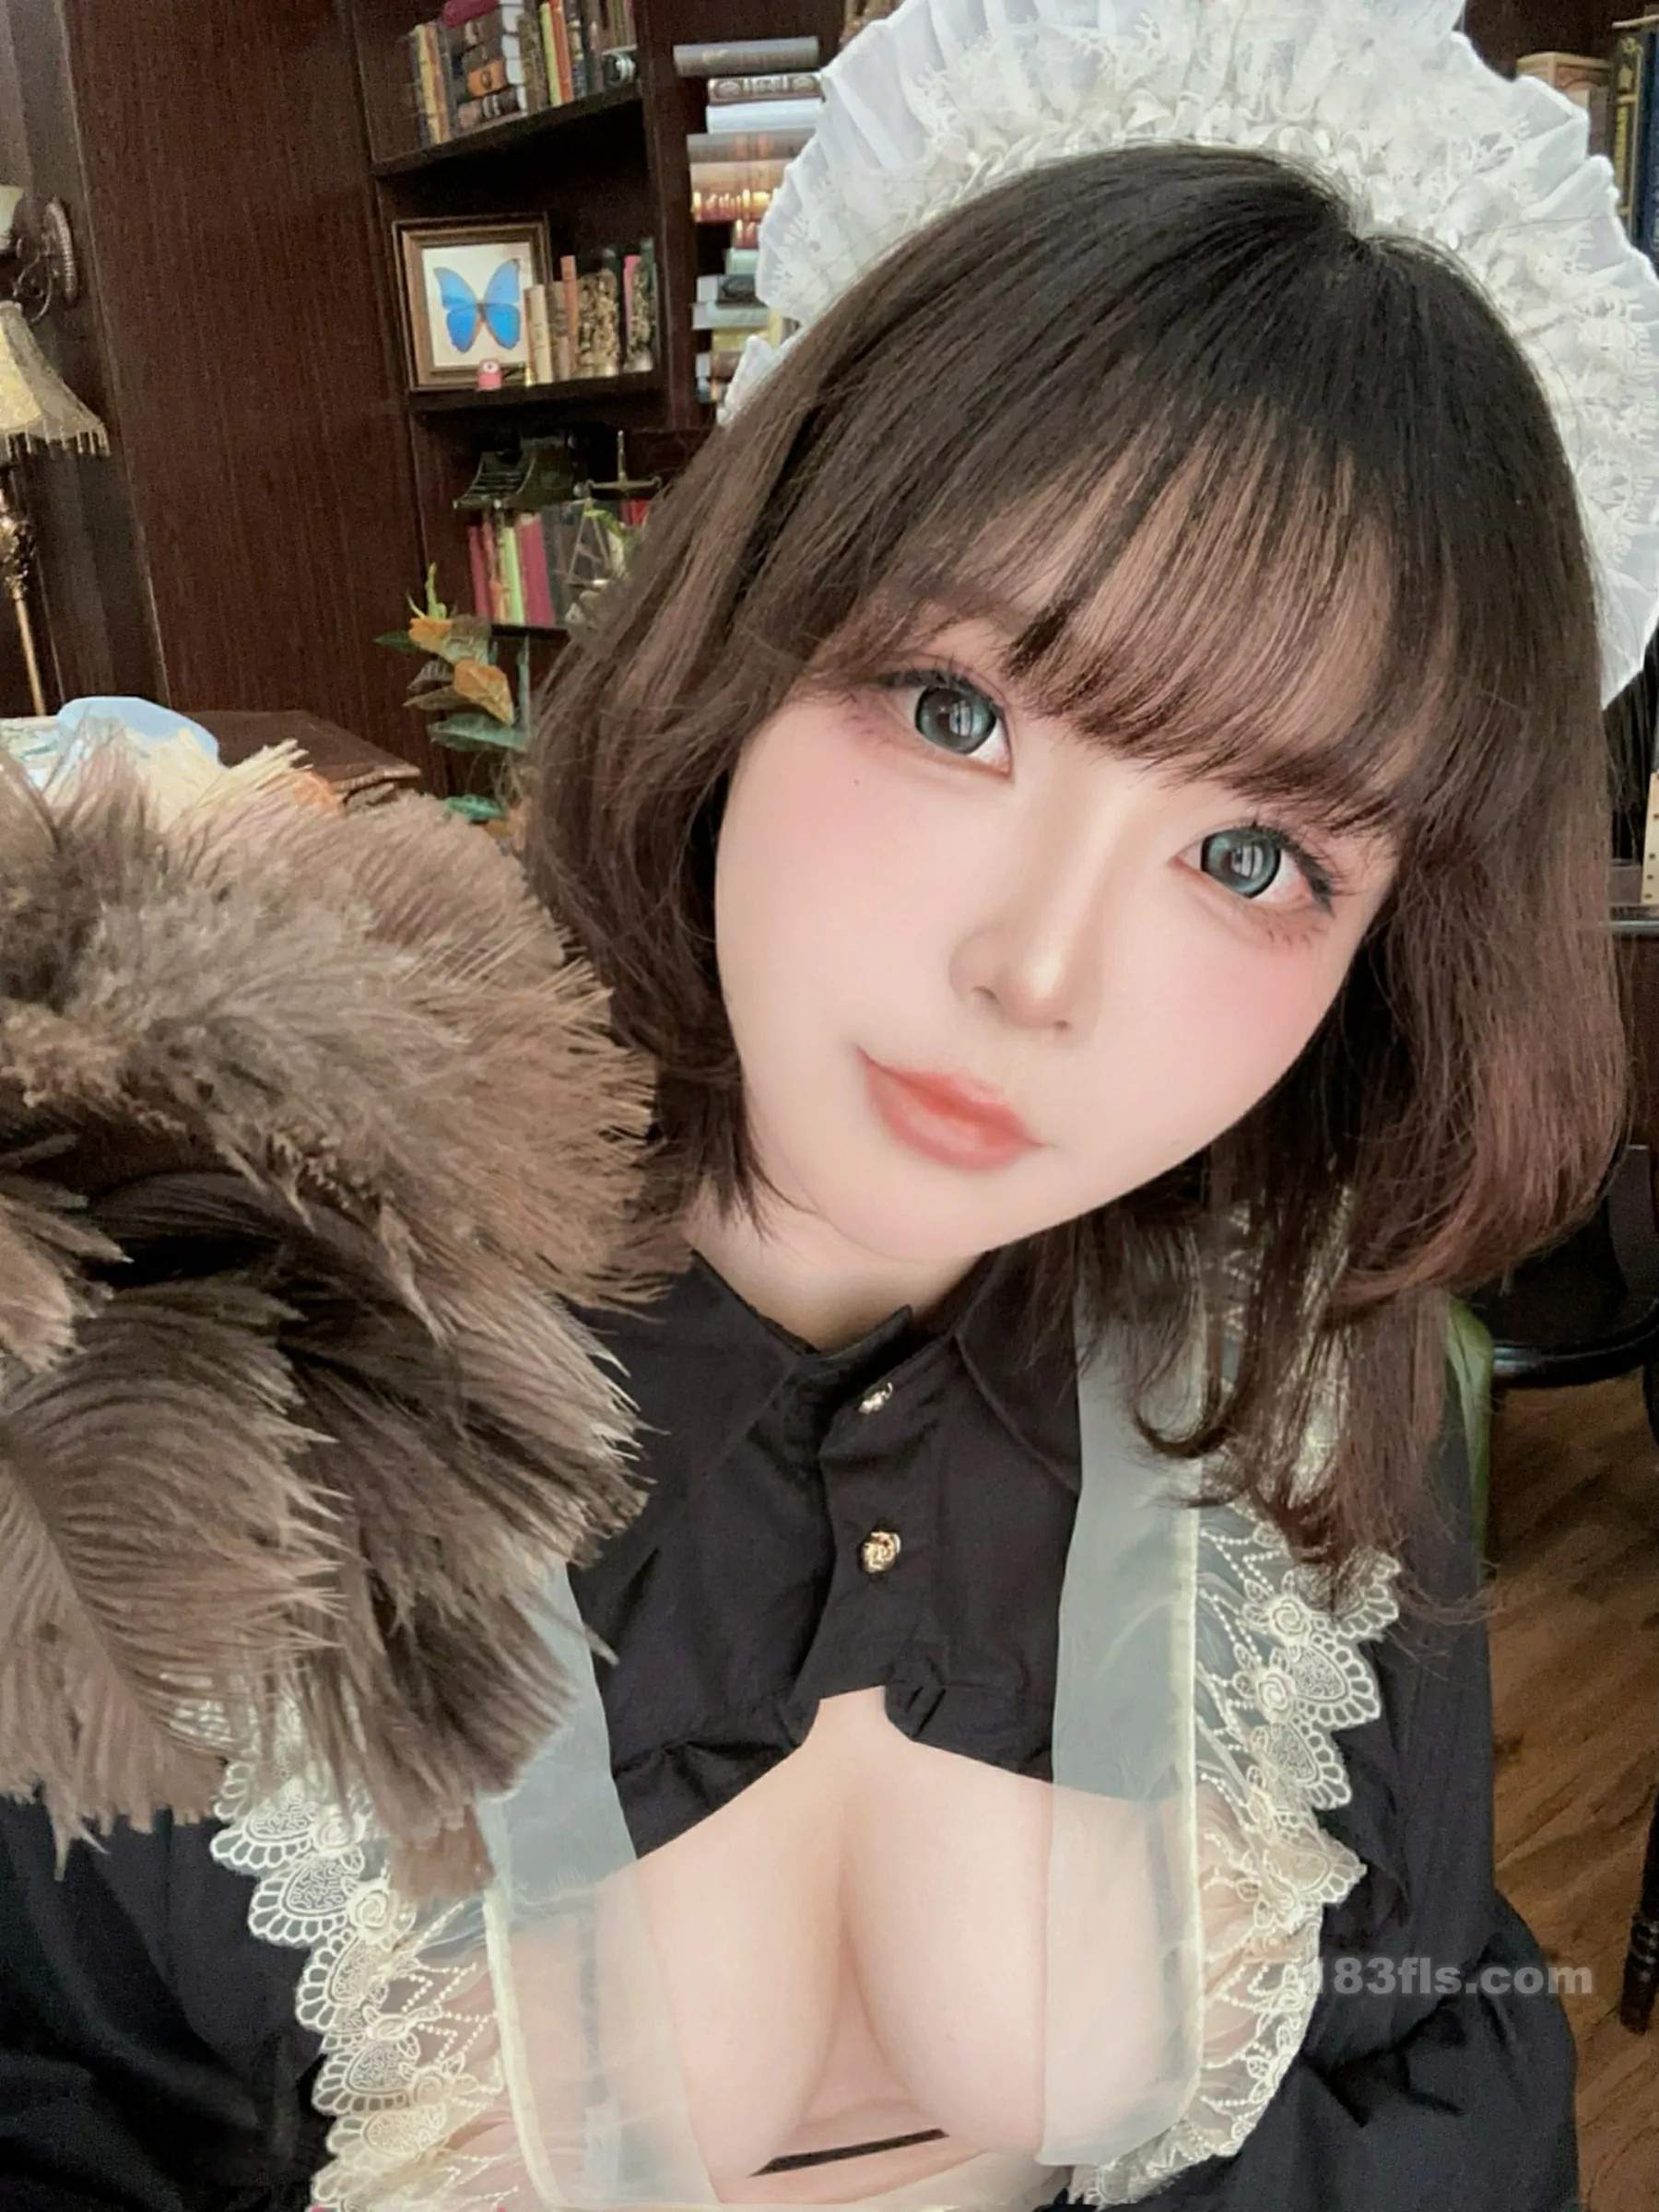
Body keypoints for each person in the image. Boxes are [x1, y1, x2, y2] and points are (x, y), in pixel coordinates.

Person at [3, 0, 1657, 2206]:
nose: (1039, 972)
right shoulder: (189, 1351)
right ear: (754, 624)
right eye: (958, 709)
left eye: (1253, 856)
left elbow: (1438, 2048)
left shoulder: (1288, 1364)